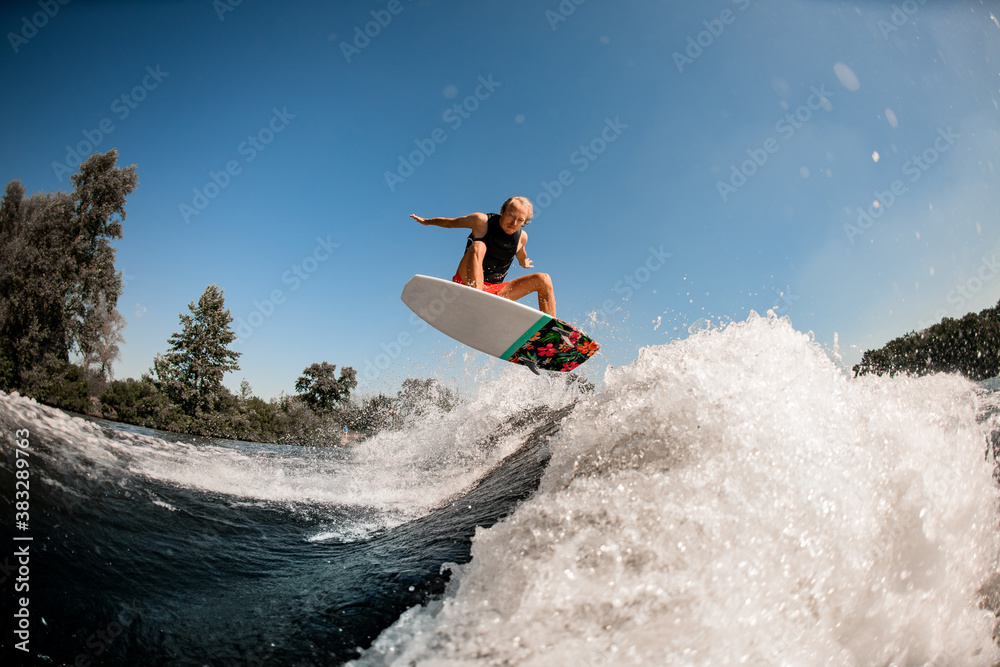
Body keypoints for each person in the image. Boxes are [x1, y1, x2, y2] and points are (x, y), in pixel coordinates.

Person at [410, 196, 556, 316]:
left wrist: (524, 262)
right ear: (502, 211)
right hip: (466, 283)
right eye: (511, 215)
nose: (514, 223)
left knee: (544, 279)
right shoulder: (482, 221)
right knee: (479, 246)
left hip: (494, 292)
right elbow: (450, 223)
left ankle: (552, 332)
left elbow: (521, 254)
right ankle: (478, 299)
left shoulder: (521, 237)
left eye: (520, 220)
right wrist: (426, 222)